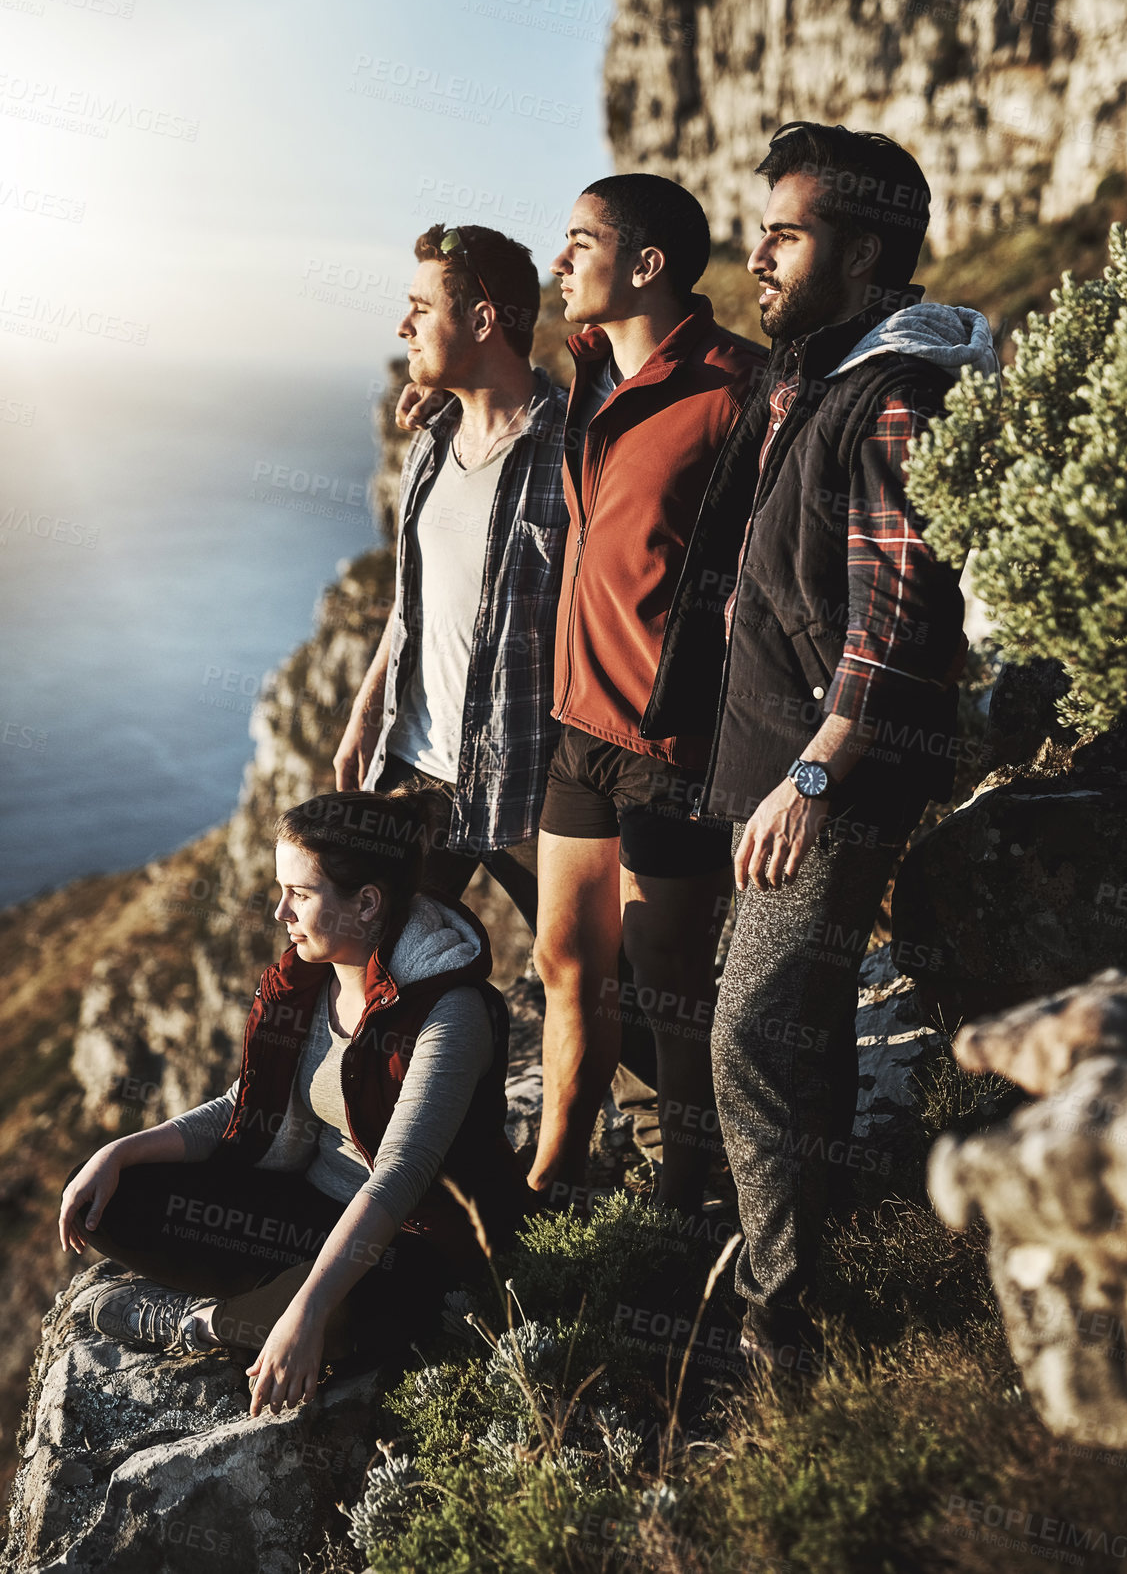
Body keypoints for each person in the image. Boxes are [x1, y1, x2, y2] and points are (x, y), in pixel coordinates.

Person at [649, 121, 1000, 1366]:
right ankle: (829, 1249)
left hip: (827, 777)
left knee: (748, 1032)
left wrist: (810, 774)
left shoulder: (894, 395)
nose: (758, 253)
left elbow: (902, 618)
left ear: (864, 253)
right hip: (775, 765)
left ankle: (781, 1320)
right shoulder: (818, 363)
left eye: (785, 234)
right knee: (794, 1027)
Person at [60, 786, 530, 1416]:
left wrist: (308, 1309)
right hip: (307, 1214)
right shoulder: (310, 980)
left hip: (414, 1242)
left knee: (350, 1319)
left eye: (300, 895)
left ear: (367, 904)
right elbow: (245, 1105)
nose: (280, 910)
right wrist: (121, 1150)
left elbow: (399, 1177)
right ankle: (275, 1299)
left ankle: (201, 1324)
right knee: (109, 1199)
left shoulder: (450, 1012)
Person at [528, 174, 767, 1215]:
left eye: (580, 239)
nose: (559, 258)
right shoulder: (580, 376)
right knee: (565, 960)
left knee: (672, 979)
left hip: (673, 739)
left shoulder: (739, 389)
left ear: (647, 263)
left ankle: (689, 1190)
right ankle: (555, 1174)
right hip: (576, 725)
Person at [334, 224, 568, 933]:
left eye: (420, 307)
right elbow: (414, 607)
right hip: (413, 767)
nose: (403, 326)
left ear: (481, 319)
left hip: (527, 778)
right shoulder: (430, 442)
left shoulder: (574, 446)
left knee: (599, 988)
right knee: (380, 964)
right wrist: (363, 716)